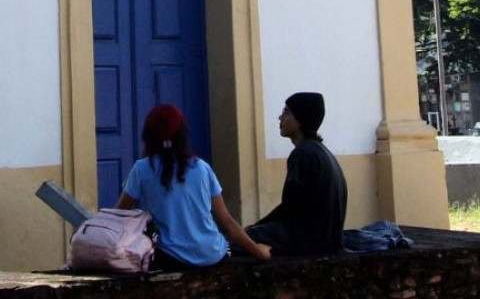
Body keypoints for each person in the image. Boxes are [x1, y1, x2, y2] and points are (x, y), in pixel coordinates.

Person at [117, 104, 271, 268]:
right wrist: (258, 251)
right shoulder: (202, 168)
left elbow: (119, 214)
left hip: (171, 258)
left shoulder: (142, 169)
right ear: (182, 135)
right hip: (213, 255)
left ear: (148, 135)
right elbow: (227, 221)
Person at [246, 91, 347, 256]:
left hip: (310, 242)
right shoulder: (321, 152)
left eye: (286, 112)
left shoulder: (302, 154)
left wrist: (253, 228)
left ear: (300, 120)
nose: (280, 118)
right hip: (329, 240)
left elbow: (289, 208)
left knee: (241, 240)